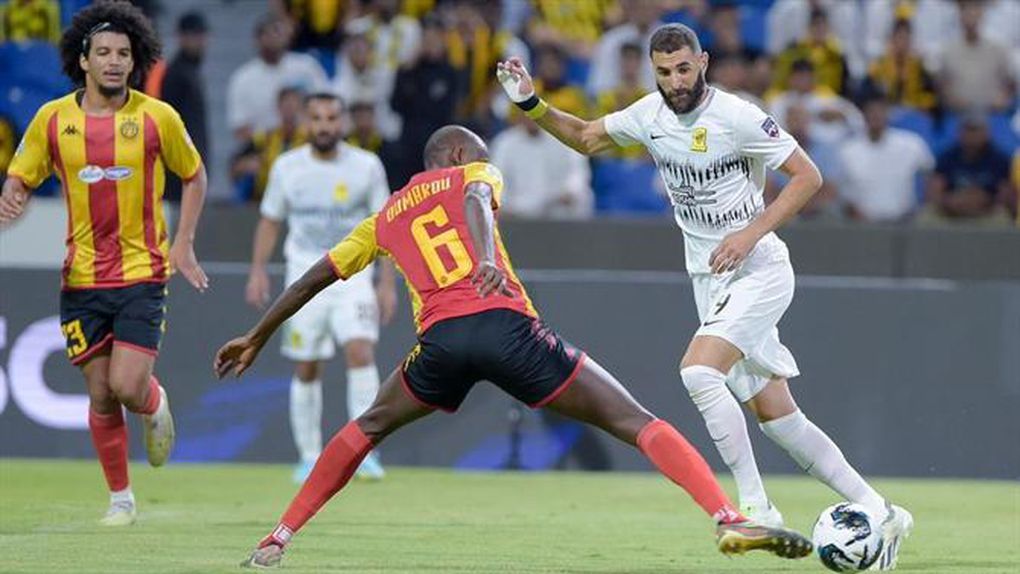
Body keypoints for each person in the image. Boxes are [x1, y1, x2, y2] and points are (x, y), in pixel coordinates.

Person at [215, 125, 815, 569]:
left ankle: (278, 538)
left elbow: (313, 278)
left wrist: (257, 335)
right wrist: (483, 257)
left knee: (366, 426)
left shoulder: (384, 217)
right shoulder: (475, 173)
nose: (484, 161)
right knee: (634, 420)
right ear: (458, 154)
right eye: (478, 153)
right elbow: (477, 201)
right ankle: (727, 516)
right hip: (508, 328)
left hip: (441, 344)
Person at [496, 23, 912, 570]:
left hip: (759, 268)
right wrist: (530, 103)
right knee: (778, 417)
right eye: (664, 72)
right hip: (710, 279)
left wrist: (748, 235)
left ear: (704, 63)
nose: (675, 81)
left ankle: (755, 508)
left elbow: (806, 177)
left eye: (683, 69)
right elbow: (587, 136)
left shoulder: (738, 116)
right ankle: (882, 510)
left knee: (698, 372)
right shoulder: (649, 115)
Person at [1, 0, 209, 526]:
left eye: (123, 53)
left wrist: (183, 242)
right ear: (84, 60)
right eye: (104, 53)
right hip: (81, 278)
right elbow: (21, 174)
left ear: (135, 61)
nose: (114, 61)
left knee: (126, 387)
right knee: (99, 393)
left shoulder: (157, 117)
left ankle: (153, 401)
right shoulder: (53, 119)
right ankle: (121, 500)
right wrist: (13, 195)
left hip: (142, 273)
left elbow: (194, 174)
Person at [245, 92, 396, 483]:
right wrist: (258, 270)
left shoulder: (366, 166)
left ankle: (364, 453)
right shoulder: (287, 167)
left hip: (354, 275)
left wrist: (387, 282)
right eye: (317, 118)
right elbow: (270, 220)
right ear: (305, 122)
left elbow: (386, 226)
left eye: (331, 118)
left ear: (343, 122)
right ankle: (310, 457)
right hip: (304, 277)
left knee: (361, 351)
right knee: (307, 364)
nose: (325, 126)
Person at [226, 13, 327, 143]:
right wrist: (273, 139)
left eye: (278, 32)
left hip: (308, 142)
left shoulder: (307, 66)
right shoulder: (243, 78)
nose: (274, 37)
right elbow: (240, 130)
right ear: (257, 39)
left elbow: (326, 106)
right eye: (268, 33)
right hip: (263, 147)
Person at [838, 93, 933, 223]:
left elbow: (930, 172)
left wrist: (922, 206)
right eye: (871, 111)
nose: (876, 116)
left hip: (903, 222)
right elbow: (840, 187)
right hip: (861, 223)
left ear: (888, 114)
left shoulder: (911, 144)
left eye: (880, 111)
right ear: (863, 114)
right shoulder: (848, 150)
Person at [160, 11, 210, 207]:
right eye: (194, 35)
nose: (200, 42)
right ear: (181, 37)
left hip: (189, 165)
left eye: (202, 35)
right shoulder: (176, 74)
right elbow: (169, 124)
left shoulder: (191, 71)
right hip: (179, 170)